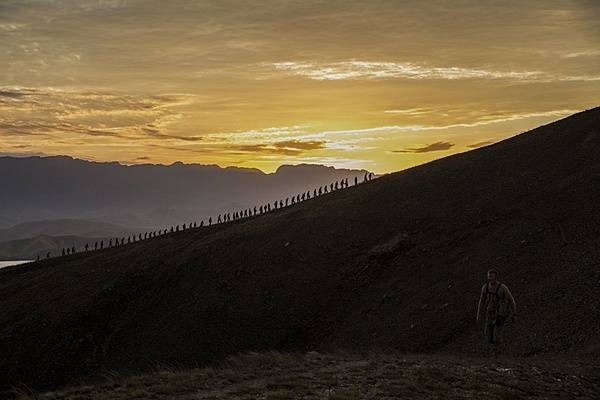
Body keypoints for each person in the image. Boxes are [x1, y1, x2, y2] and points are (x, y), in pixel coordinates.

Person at [477, 269, 517, 356]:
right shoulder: (485, 287)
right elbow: (482, 300)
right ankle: (500, 348)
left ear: (495, 277)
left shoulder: (502, 288)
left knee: (496, 336)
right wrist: (479, 313)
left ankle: (498, 354)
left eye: (492, 276)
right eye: (489, 277)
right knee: (488, 336)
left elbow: (511, 300)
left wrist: (514, 314)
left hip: (500, 314)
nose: (490, 278)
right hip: (490, 313)